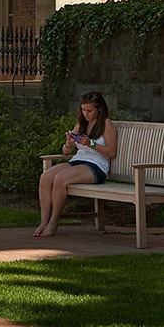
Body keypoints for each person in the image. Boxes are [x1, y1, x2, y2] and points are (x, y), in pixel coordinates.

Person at [36, 91, 116, 237]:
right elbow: (66, 151)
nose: (86, 114)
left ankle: (53, 222)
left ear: (99, 109)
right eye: (83, 110)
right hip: (78, 160)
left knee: (60, 179)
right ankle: (44, 221)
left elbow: (112, 152)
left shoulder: (106, 124)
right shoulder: (81, 124)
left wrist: (91, 144)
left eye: (89, 110)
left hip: (96, 165)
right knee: (46, 177)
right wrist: (69, 142)